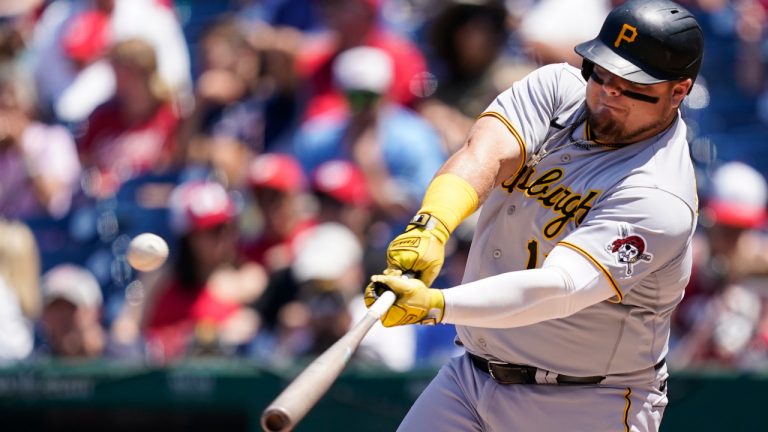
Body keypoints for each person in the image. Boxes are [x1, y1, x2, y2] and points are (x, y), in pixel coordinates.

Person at [363, 1, 704, 430]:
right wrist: (432, 225)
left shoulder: (660, 194)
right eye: (601, 72)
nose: (608, 91)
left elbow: (560, 289)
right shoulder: (556, 88)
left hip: (587, 401)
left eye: (631, 84)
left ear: (678, 91)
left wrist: (437, 305)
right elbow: (485, 153)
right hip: (471, 376)